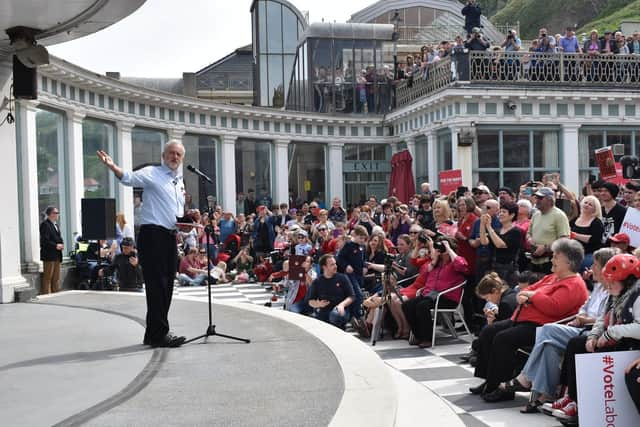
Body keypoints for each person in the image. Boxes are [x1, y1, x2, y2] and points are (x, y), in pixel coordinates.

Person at [470, 238, 589, 402]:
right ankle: (490, 381)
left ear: (568, 261)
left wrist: (532, 296)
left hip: (542, 326)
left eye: (555, 257)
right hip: (524, 319)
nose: (552, 259)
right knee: (489, 331)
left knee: (503, 339)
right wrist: (527, 294)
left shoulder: (574, 283)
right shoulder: (553, 277)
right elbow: (529, 288)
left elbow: (554, 307)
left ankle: (504, 388)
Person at [500, 247, 615, 413]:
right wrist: (580, 317)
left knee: (546, 331)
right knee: (548, 345)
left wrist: (585, 319)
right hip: (577, 326)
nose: (591, 267)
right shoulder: (597, 287)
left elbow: (604, 318)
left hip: (590, 330)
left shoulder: (606, 289)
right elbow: (584, 307)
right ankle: (545, 394)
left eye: (596, 264)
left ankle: (526, 378)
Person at [97, 143, 187, 348]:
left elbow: (175, 211)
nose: (175, 156)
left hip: (169, 236)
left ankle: (153, 333)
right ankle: (160, 333)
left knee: (167, 286)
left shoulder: (179, 181)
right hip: (153, 234)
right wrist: (112, 166)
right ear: (163, 155)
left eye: (179, 154)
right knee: (157, 286)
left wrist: (185, 226)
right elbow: (128, 178)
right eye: (171, 153)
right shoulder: (152, 172)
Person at [551, 253, 640, 423]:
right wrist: (594, 335)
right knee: (578, 344)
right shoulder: (616, 295)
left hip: (632, 346)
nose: (609, 285)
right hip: (619, 340)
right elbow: (602, 318)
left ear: (627, 280)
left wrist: (610, 333)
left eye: (613, 281)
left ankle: (593, 407)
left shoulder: (637, 295)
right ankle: (575, 400)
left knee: (601, 353)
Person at [402, 236, 469, 348]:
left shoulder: (455, 261)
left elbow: (462, 265)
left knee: (422, 306)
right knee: (407, 305)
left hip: (447, 297)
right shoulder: (436, 263)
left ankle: (427, 338)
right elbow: (426, 269)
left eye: (441, 248)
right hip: (430, 295)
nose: (439, 250)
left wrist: (448, 248)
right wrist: (435, 256)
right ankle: (419, 335)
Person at [307, 254, 354, 329]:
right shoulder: (317, 281)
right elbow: (311, 301)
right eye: (332, 264)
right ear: (324, 267)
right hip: (323, 310)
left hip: (339, 309)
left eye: (335, 264)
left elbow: (351, 296)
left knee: (335, 315)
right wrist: (318, 304)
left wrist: (342, 305)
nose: (335, 266)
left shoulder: (342, 278)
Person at [40, 206, 64, 294]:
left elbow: (58, 238)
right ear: (51, 214)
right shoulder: (45, 225)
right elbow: (44, 240)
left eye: (58, 213)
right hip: (49, 255)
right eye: (56, 213)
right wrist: (56, 246)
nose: (58, 215)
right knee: (48, 277)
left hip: (57, 254)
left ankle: (55, 295)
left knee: (56, 277)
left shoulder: (56, 225)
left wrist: (61, 244)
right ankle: (47, 295)